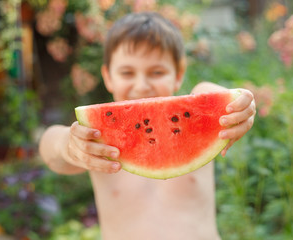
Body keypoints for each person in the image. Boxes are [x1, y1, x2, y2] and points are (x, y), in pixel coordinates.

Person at [39, 12, 255, 240]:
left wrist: (236, 106)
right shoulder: (97, 141)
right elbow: (49, 146)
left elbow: (209, 93)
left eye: (157, 72)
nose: (141, 86)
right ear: (108, 76)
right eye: (127, 72)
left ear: (179, 74)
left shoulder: (200, 115)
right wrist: (68, 146)